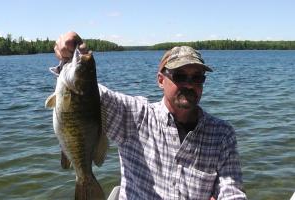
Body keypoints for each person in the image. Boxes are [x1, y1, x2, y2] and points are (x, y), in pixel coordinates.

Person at [54, 31, 247, 200]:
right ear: (161, 80)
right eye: (180, 76)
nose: (189, 84)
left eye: (197, 78)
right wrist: (71, 51)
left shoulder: (222, 134)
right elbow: (87, 94)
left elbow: (232, 191)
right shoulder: (135, 116)